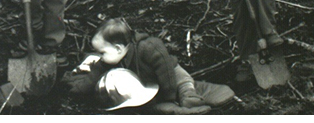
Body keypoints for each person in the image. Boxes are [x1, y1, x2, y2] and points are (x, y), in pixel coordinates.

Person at [62, 18, 234, 114]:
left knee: (182, 81)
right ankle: (174, 110)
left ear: (118, 48)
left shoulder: (149, 48)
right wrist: (77, 89)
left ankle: (189, 96)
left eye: (102, 52)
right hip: (148, 85)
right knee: (148, 103)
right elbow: (92, 78)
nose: (100, 56)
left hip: (169, 75)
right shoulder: (109, 60)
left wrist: (169, 94)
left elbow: (166, 71)